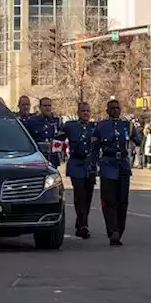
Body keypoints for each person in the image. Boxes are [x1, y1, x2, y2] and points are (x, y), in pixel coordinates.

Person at [93, 98, 142, 246]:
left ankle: (119, 230)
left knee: (122, 201)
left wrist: (138, 134)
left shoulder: (127, 125)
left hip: (123, 166)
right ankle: (112, 230)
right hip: (108, 164)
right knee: (109, 201)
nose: (115, 110)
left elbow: (138, 141)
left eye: (117, 108)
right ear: (107, 111)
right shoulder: (101, 126)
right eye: (112, 108)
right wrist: (93, 166)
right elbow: (95, 148)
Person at [60, 101, 97, 239]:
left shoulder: (95, 127)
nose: (86, 113)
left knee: (88, 196)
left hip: (90, 165)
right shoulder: (70, 127)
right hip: (76, 163)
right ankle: (83, 225)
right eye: (83, 111)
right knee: (80, 195)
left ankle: (80, 221)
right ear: (78, 113)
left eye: (88, 111)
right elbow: (57, 141)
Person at [24, 97, 63, 169]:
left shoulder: (57, 120)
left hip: (52, 156)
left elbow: (61, 138)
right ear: (40, 107)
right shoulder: (32, 121)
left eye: (49, 106)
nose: (47, 108)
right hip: (38, 156)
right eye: (45, 106)